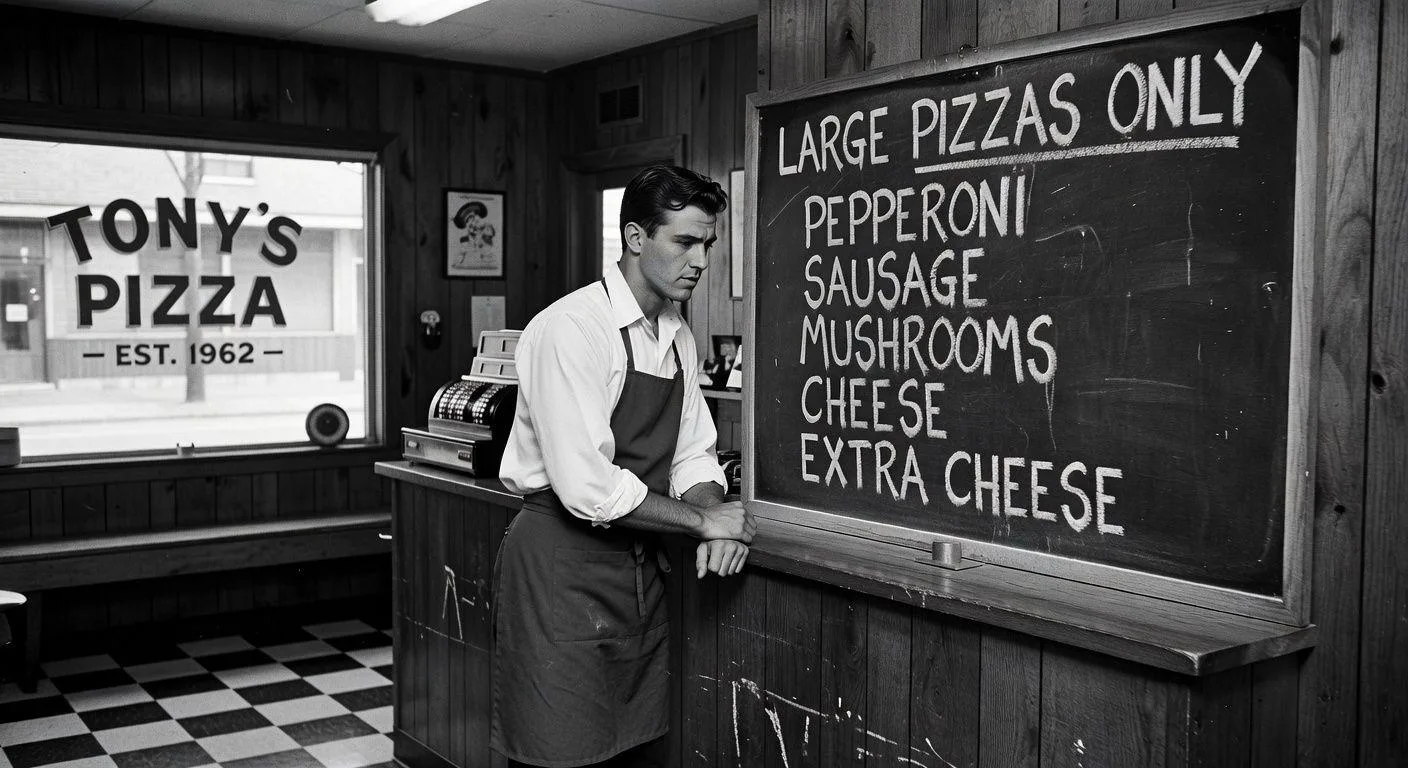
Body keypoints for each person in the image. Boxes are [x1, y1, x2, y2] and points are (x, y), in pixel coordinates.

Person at [494, 165, 756, 767]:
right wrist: (698, 525)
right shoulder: (571, 329)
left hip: (635, 575)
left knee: (633, 756)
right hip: (560, 571)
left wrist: (713, 512)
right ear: (636, 238)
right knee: (558, 755)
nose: (701, 261)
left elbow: (694, 452)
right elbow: (588, 486)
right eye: (684, 242)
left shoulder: (676, 334)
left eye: (708, 244)